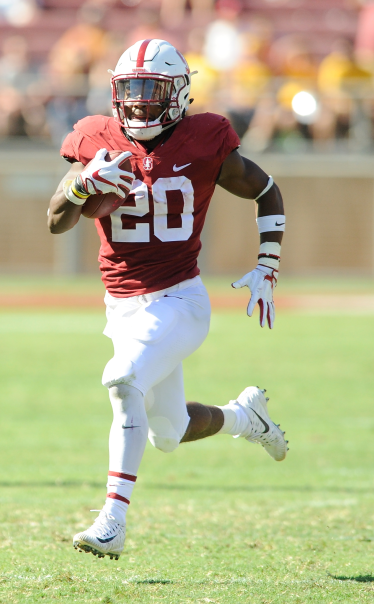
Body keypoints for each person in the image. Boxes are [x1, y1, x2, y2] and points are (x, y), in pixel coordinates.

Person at [47, 39, 288, 560]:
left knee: (123, 379)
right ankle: (246, 417)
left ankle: (113, 519)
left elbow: (267, 189)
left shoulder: (205, 140)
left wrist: (268, 262)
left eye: (149, 90)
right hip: (123, 306)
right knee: (168, 432)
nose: (136, 102)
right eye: (128, 89)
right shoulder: (97, 138)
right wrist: (82, 188)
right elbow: (55, 221)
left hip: (179, 299)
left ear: (179, 94)